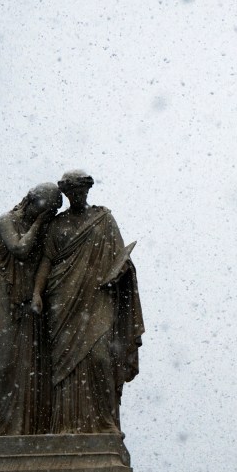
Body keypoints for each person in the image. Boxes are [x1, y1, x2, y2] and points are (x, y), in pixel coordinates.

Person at [32, 170, 144, 434]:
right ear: (66, 193)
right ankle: (65, 425)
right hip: (63, 300)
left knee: (100, 357)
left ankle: (104, 423)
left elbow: (120, 257)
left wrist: (121, 270)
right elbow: (47, 261)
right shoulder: (57, 226)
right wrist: (37, 292)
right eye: (71, 191)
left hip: (98, 298)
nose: (77, 195)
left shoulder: (103, 220)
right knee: (64, 367)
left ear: (87, 190)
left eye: (81, 190)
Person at [0, 182, 63, 436]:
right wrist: (39, 223)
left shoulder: (44, 229)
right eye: (43, 209)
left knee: (35, 369)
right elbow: (20, 249)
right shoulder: (6, 221)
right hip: (7, 302)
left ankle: (32, 429)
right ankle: (0, 428)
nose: (44, 215)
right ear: (31, 201)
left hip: (32, 306)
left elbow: (46, 262)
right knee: (7, 366)